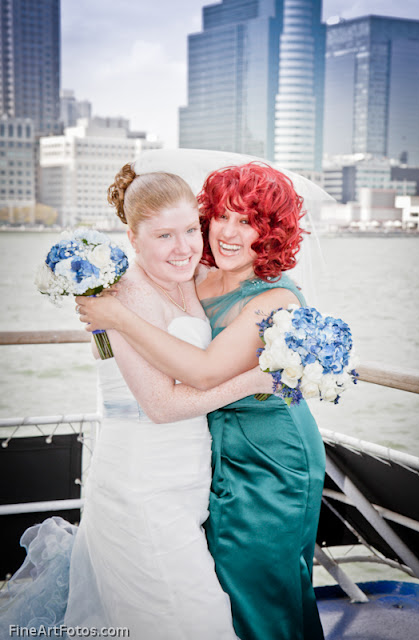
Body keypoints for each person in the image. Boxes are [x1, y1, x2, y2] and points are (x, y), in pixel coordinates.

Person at [1, 166, 274, 639]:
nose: (183, 247)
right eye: (164, 236)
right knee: (196, 620)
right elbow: (161, 407)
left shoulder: (189, 279)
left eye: (190, 230)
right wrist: (256, 380)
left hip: (184, 484)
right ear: (132, 238)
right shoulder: (122, 295)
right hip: (142, 487)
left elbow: (244, 280)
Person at [77, 162, 326, 640]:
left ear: (271, 232)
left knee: (261, 584)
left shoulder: (274, 298)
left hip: (269, 449)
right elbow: (131, 335)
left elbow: (205, 371)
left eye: (248, 221)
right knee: (223, 583)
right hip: (209, 446)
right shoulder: (197, 273)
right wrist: (104, 320)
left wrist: (117, 318)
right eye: (221, 216)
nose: (228, 233)